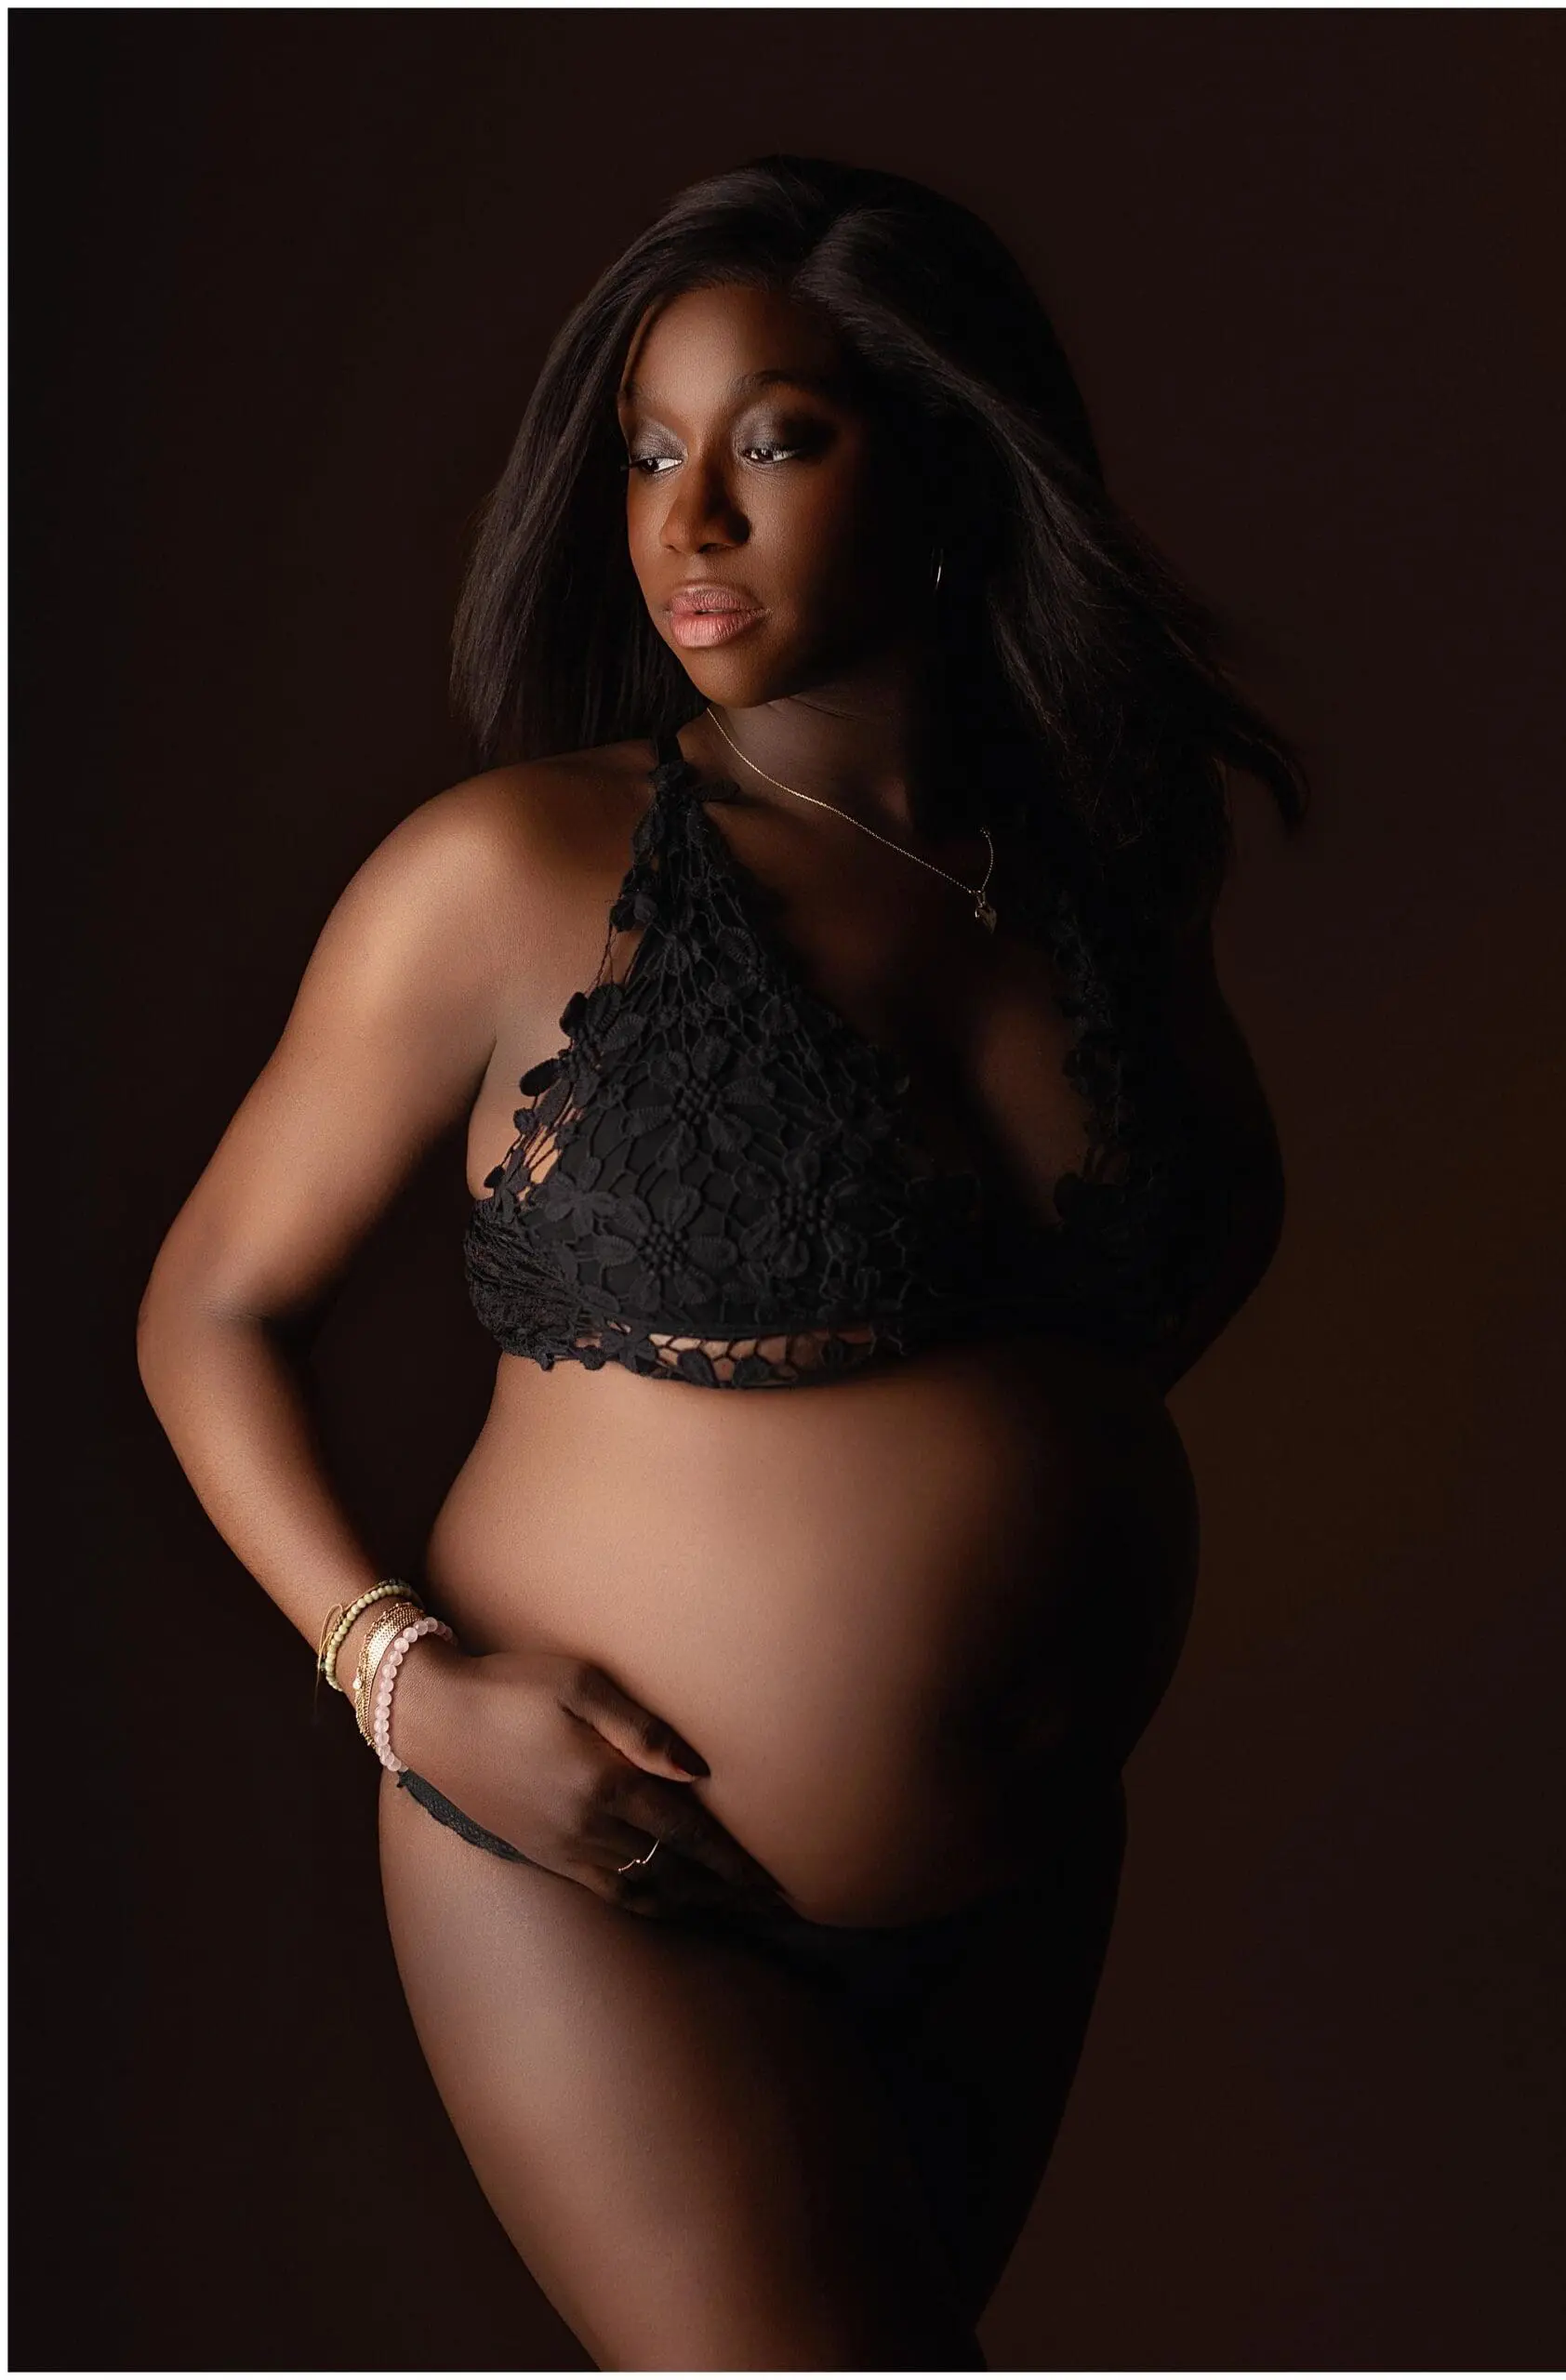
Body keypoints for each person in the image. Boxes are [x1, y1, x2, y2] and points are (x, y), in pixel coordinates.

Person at [136, 153, 1307, 2373]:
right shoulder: (509, 872)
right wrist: (397, 1671)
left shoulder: (1098, 875)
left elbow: (1175, 1259)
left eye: (772, 440)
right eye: (652, 454)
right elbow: (205, 1306)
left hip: (1022, 1882)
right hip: (599, 1870)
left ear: (945, 463)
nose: (688, 523)